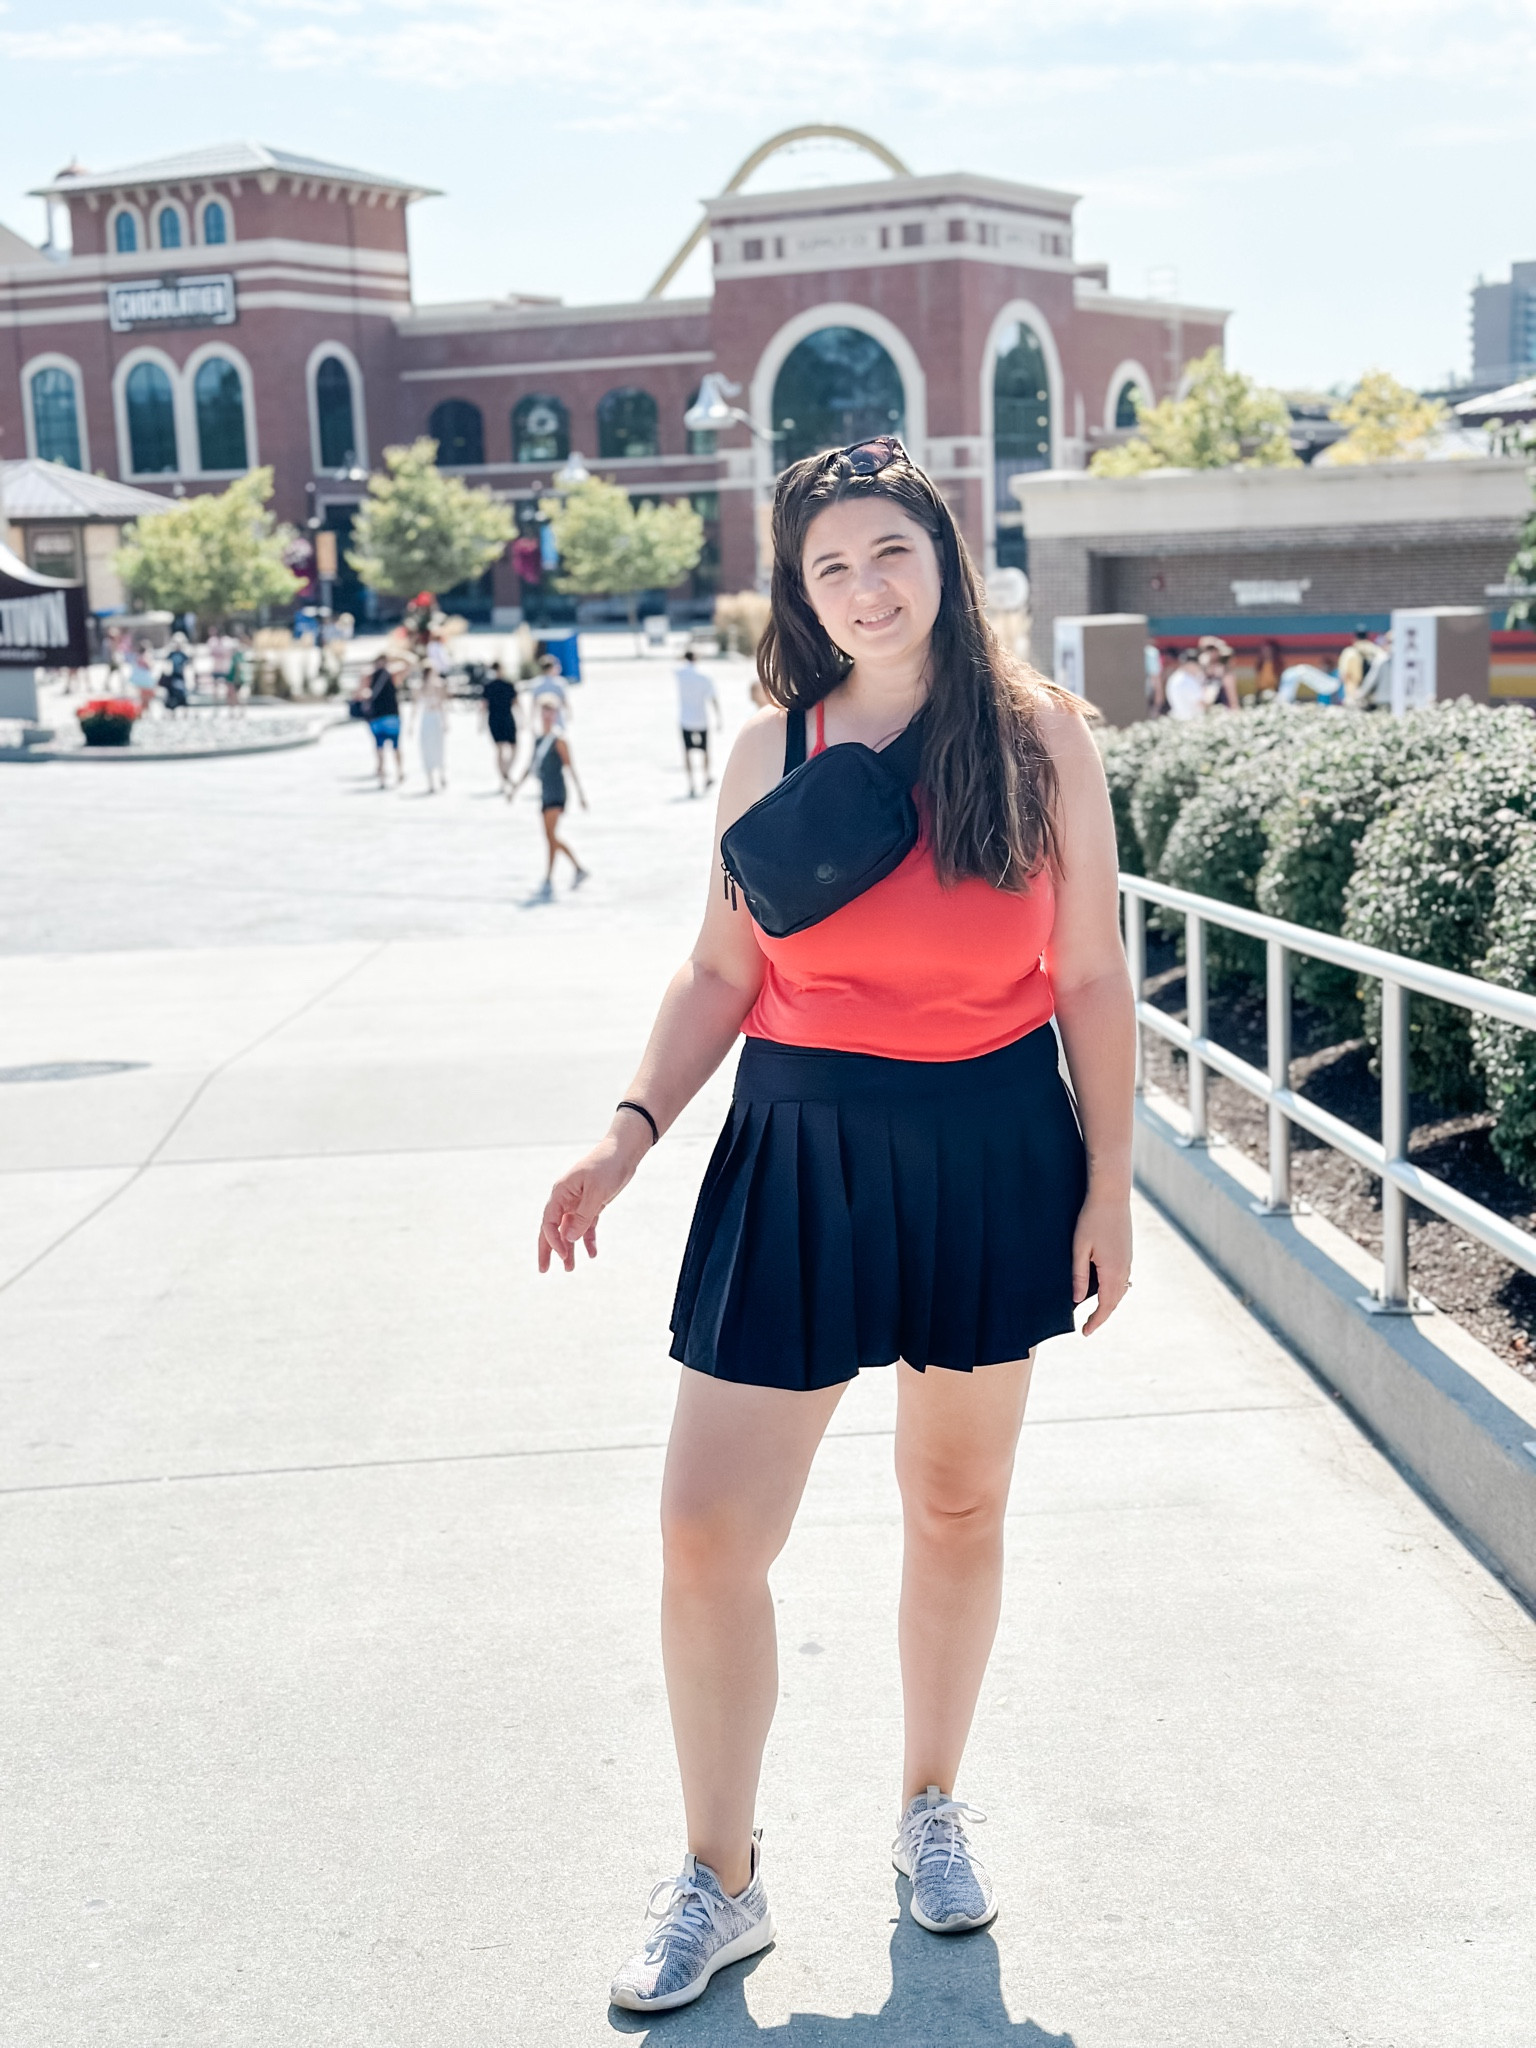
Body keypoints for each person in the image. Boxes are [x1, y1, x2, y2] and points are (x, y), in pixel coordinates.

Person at [536, 435, 1134, 2015]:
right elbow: (721, 972)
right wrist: (627, 1130)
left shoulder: (1042, 742)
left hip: (991, 1145)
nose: (866, 590)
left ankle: (930, 1802)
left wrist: (1110, 1189)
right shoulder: (772, 750)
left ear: (944, 555)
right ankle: (718, 1878)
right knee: (704, 1530)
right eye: (829, 567)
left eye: (891, 553)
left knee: (954, 1507)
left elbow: (1088, 979)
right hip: (796, 1142)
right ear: (795, 590)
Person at [513, 698, 588, 897]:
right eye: (544, 712)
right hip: (545, 791)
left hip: (557, 791)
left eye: (550, 712)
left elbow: (571, 767)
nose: (547, 716)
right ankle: (577, 867)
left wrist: (581, 794)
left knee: (551, 835)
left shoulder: (559, 740)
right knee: (549, 836)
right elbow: (530, 766)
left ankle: (549, 876)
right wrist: (515, 788)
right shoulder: (538, 740)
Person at [674, 648, 721, 797]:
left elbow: (675, 665)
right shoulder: (704, 676)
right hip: (701, 718)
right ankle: (706, 777)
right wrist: (718, 716)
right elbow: (713, 698)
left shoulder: (680, 674)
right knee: (705, 750)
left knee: (687, 751)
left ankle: (691, 784)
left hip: (685, 718)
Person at [365, 654, 404, 787]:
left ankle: (382, 778)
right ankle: (399, 772)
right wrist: (398, 652)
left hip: (376, 718)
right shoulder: (392, 675)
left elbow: (360, 693)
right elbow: (409, 664)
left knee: (379, 749)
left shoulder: (369, 676)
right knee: (396, 747)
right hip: (392, 717)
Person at [482, 659, 520, 792]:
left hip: (500, 718)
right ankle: (505, 777)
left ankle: (505, 775)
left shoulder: (504, 685)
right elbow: (484, 705)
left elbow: (516, 702)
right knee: (503, 749)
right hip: (501, 718)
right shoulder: (493, 685)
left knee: (506, 749)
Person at [415, 660, 449, 793]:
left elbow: (442, 705)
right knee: (427, 749)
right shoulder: (419, 687)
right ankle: (431, 781)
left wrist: (445, 721)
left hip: (435, 719)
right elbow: (415, 706)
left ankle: (441, 774)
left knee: (438, 747)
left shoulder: (439, 685)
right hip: (426, 720)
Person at [1164, 647, 1207, 720]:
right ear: (1191, 665)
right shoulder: (1188, 681)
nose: (1199, 668)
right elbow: (1201, 704)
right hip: (1191, 721)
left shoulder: (1175, 677)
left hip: (1178, 718)